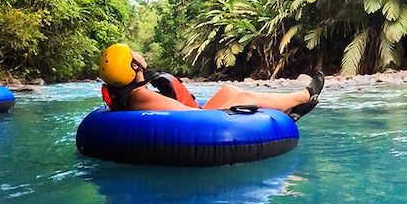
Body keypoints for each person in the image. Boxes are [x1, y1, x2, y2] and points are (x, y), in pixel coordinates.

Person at [98, 44, 324, 122]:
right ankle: (302, 97)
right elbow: (190, 116)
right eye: (132, 55)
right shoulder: (142, 96)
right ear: (134, 68)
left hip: (192, 115)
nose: (137, 53)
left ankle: (290, 109)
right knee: (243, 98)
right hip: (196, 121)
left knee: (229, 88)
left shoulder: (129, 93)